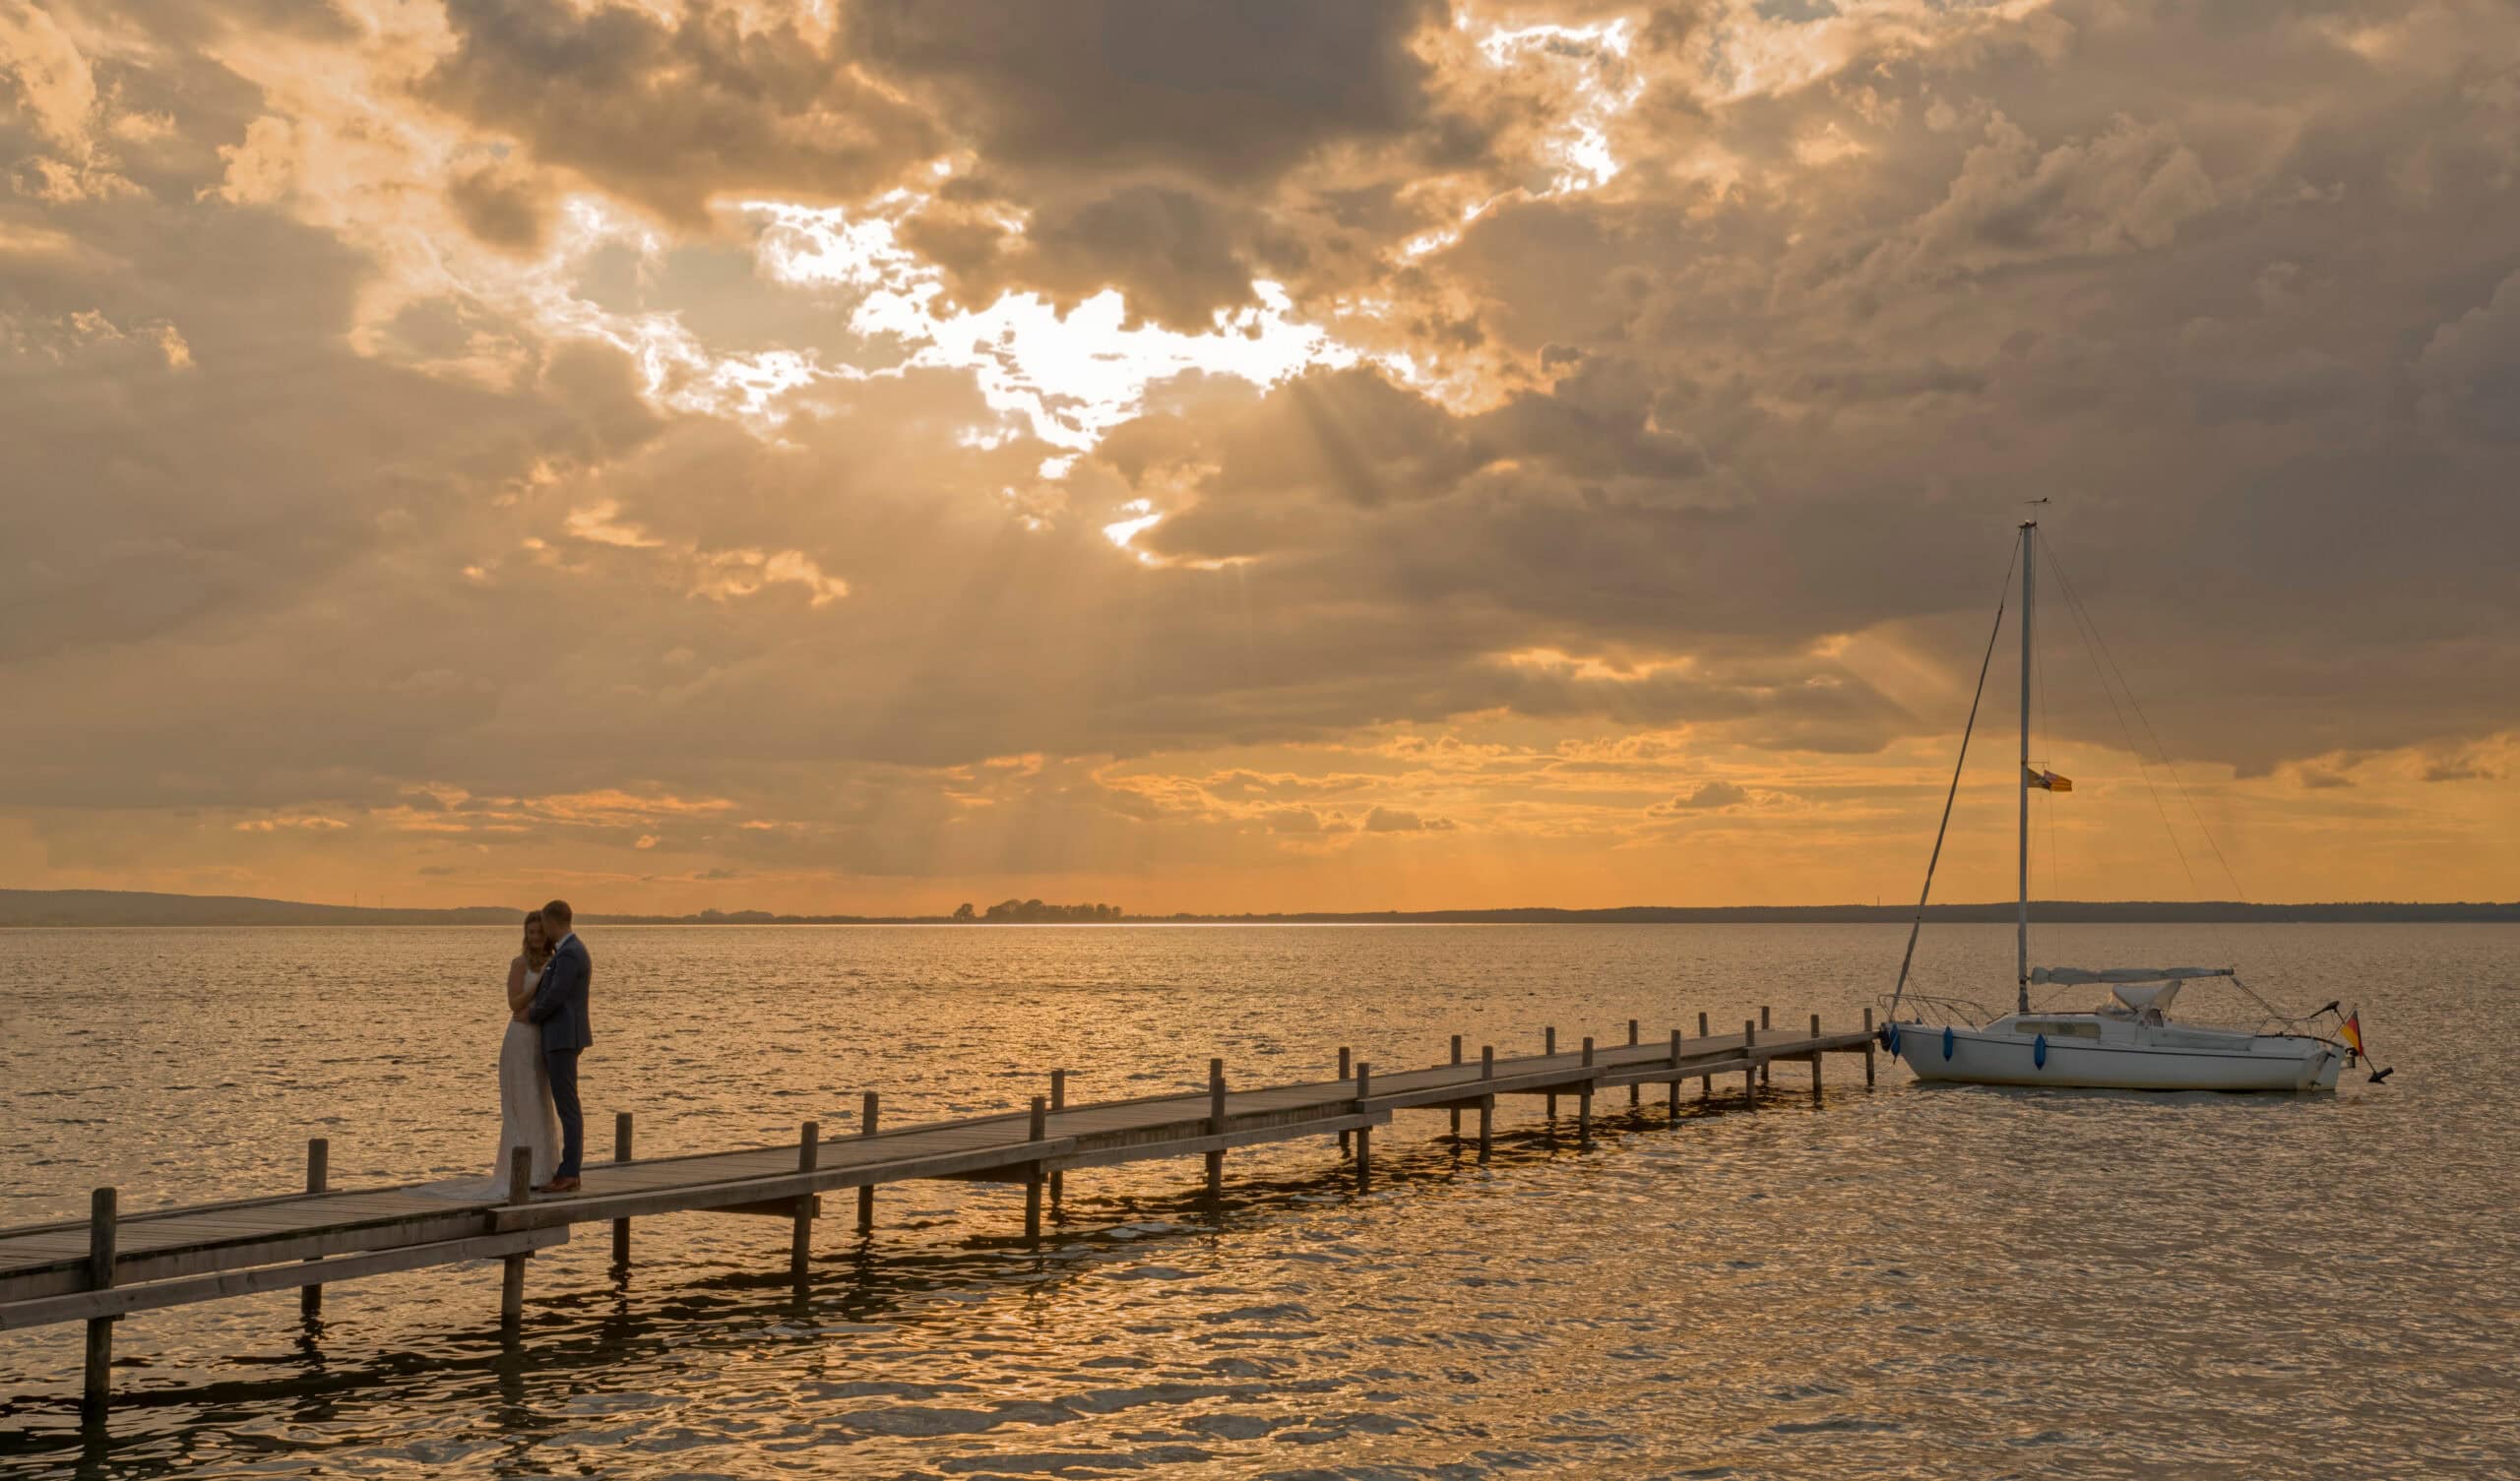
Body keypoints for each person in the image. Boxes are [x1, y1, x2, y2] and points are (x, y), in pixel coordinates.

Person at [522, 898, 593, 1193]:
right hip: (561, 1036)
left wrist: (531, 1016)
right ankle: (567, 1169)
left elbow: (556, 996)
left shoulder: (570, 954)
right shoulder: (568, 951)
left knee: (567, 1106)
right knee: (566, 1103)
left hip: (563, 1036)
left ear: (552, 923)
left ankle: (570, 1172)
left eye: (546, 925)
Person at [494, 911, 564, 1188]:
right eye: (531, 932)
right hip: (519, 1038)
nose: (535, 938)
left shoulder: (555, 962)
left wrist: (535, 1009)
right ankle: (519, 1171)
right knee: (522, 1100)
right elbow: (514, 1004)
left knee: (539, 1098)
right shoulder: (519, 964)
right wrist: (534, 988)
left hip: (541, 1038)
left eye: (539, 932)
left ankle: (543, 1169)